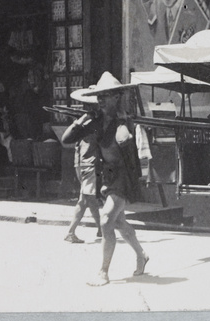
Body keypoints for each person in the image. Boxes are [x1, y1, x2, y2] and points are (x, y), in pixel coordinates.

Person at [64, 72, 149, 286]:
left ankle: (103, 272)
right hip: (106, 176)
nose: (101, 99)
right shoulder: (95, 120)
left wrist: (135, 184)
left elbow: (129, 150)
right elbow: (67, 139)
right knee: (118, 221)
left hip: (122, 177)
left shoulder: (123, 122)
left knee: (106, 220)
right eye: (99, 96)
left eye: (106, 95)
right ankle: (141, 255)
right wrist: (81, 121)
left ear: (116, 97)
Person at [62, 89, 103, 244]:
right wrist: (82, 119)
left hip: (82, 163)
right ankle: (70, 232)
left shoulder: (89, 121)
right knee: (84, 199)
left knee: (89, 198)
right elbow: (66, 139)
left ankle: (101, 229)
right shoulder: (89, 122)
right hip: (88, 164)